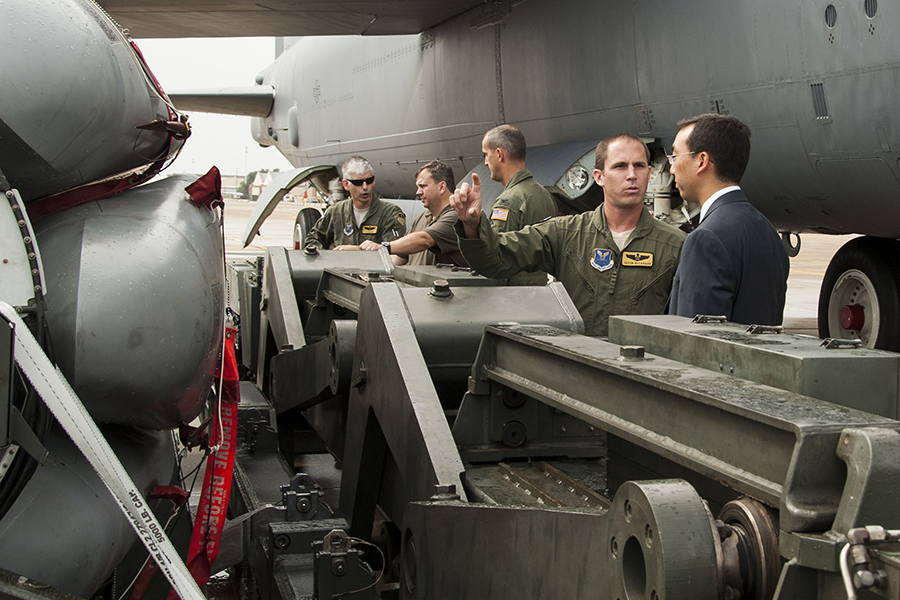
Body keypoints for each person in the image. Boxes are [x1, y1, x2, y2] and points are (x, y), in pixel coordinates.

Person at [451, 132, 685, 337]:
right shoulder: (565, 234)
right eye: (620, 166)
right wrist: (472, 225)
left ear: (649, 173)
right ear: (599, 176)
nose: (632, 174)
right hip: (579, 372)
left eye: (639, 166)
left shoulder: (676, 246)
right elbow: (498, 257)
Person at [667, 114, 789, 325]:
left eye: (675, 156)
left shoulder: (706, 238)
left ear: (702, 161)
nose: (671, 168)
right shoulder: (768, 232)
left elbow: (694, 340)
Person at [480, 125, 558, 285]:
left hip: (515, 296)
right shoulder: (544, 194)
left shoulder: (508, 202)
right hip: (541, 291)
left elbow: (497, 257)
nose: (485, 162)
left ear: (499, 154)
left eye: (486, 155)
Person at [359, 160, 468, 267]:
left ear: (442, 187)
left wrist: (383, 247)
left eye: (423, 186)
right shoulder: (423, 218)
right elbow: (399, 258)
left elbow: (425, 240)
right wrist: (362, 259)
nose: (418, 192)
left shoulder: (456, 216)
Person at [304, 156, 406, 250]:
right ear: (346, 184)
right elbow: (313, 240)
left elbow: (395, 251)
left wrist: (356, 251)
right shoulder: (336, 212)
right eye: (358, 183)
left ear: (374, 180)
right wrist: (330, 257)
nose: (365, 187)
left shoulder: (390, 213)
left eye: (369, 181)